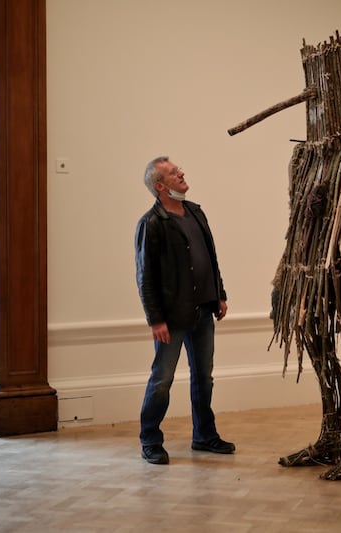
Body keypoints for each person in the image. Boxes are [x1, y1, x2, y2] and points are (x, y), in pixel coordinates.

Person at [134, 156, 234, 465]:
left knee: (203, 377)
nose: (182, 174)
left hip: (204, 310)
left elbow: (210, 256)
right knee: (162, 379)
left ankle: (204, 435)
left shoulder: (195, 212)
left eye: (179, 170)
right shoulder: (151, 223)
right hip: (172, 318)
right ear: (161, 186)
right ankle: (150, 440)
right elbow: (144, 275)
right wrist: (155, 319)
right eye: (174, 173)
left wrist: (219, 294)